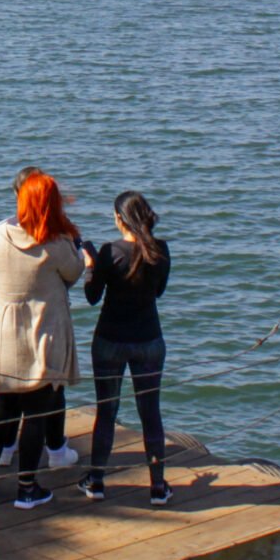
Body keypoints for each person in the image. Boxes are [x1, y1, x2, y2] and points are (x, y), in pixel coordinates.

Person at [0, 168, 86, 509]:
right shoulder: (54, 243)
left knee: (1, 409)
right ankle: (27, 488)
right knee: (36, 413)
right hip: (42, 337)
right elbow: (77, 271)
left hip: (4, 336)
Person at [81, 190, 172, 505]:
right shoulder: (161, 251)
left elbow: (93, 296)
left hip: (110, 341)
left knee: (106, 412)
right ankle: (158, 487)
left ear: (120, 219)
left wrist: (91, 264)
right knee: (151, 414)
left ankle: (96, 482)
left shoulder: (109, 252)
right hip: (149, 341)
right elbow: (157, 291)